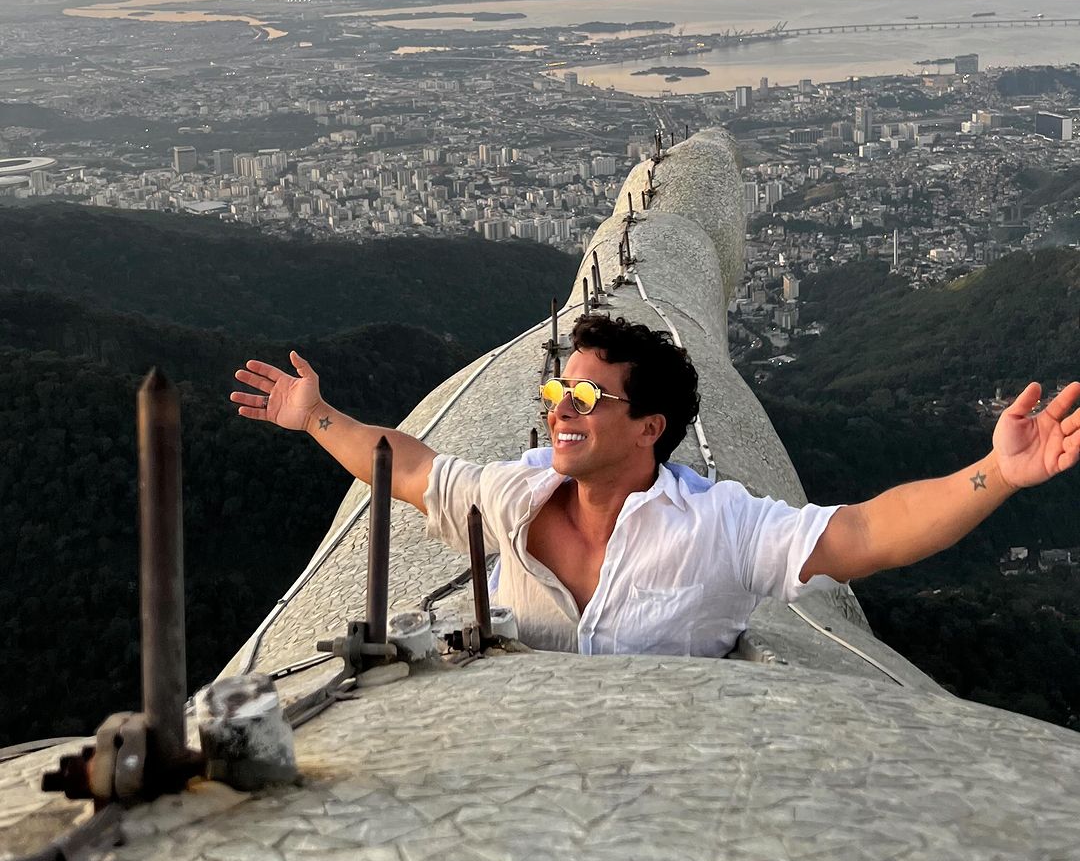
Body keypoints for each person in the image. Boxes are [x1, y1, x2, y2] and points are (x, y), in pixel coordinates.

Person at [231, 311, 1080, 657]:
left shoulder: (717, 526)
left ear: (648, 428)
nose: (560, 410)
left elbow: (862, 535)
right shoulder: (512, 495)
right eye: (556, 391)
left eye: (585, 398)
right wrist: (316, 416)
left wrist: (998, 473)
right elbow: (411, 468)